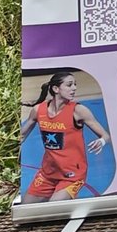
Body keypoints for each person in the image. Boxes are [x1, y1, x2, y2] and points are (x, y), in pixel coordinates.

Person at [19, 71, 110, 203]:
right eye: (69, 85)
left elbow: (105, 135)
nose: (74, 88)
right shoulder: (38, 110)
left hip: (72, 175)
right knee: (26, 207)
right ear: (56, 89)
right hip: (48, 173)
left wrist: (101, 141)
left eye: (75, 84)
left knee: (54, 207)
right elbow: (21, 136)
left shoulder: (79, 111)